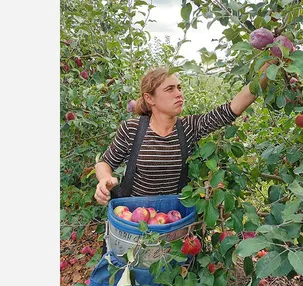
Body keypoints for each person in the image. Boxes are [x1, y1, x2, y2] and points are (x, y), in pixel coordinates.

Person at [94, 62, 274, 205]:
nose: (179, 94)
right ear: (150, 98)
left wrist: (270, 67)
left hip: (174, 220)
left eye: (179, 87)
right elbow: (104, 163)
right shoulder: (132, 129)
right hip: (133, 218)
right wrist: (105, 180)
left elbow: (231, 109)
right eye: (170, 89)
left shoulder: (189, 127)